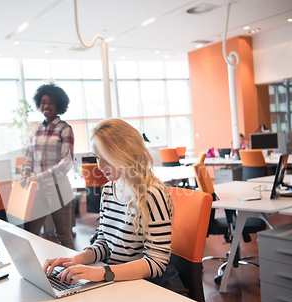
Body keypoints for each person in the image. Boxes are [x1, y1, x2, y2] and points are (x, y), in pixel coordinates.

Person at [43, 119, 183, 288]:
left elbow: (156, 263)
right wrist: (75, 259)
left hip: (153, 286)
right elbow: (105, 243)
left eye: (106, 159)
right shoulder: (109, 189)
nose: (100, 167)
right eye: (97, 158)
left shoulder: (152, 195)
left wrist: (103, 273)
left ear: (126, 155)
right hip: (119, 279)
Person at [20, 83, 75, 250]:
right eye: (43, 102)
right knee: (30, 233)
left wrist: (40, 176)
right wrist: (26, 173)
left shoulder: (65, 129)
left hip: (58, 189)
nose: (46, 106)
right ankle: (33, 270)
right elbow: (29, 155)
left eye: (51, 102)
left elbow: (67, 162)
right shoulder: (35, 129)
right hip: (36, 189)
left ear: (58, 105)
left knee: (63, 235)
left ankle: (77, 272)